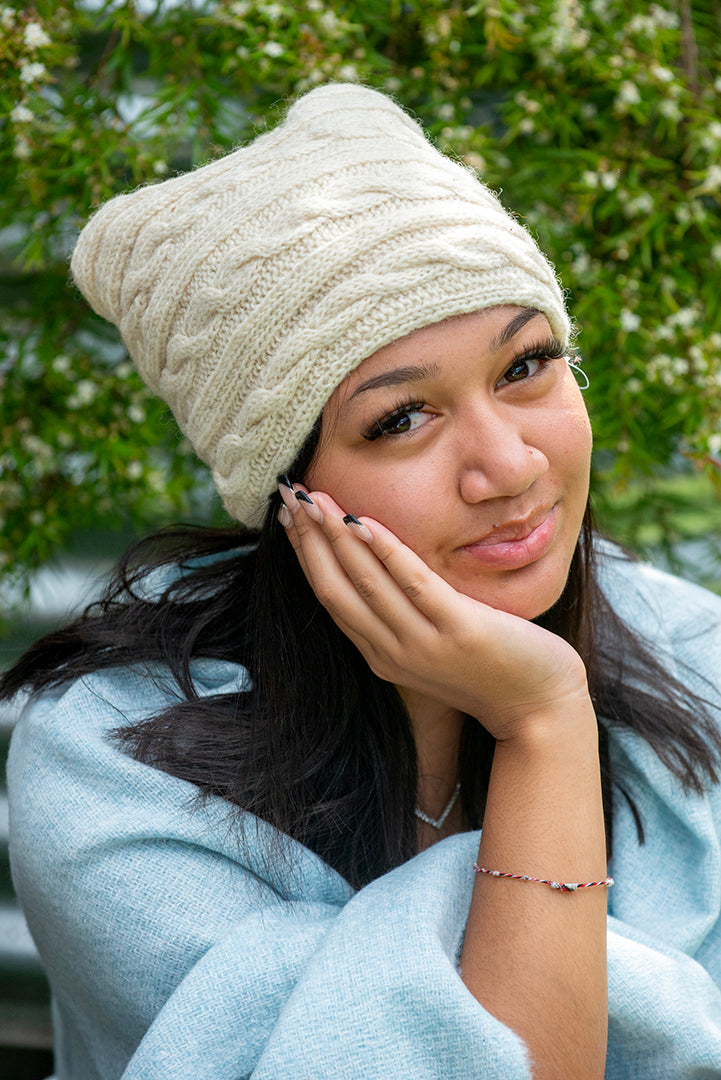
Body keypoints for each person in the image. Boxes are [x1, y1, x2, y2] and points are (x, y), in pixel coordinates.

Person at [3, 82, 721, 1080]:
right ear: (291, 495)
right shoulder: (109, 764)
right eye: (400, 419)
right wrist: (543, 725)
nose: (507, 467)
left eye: (525, 366)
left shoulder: (698, 660)